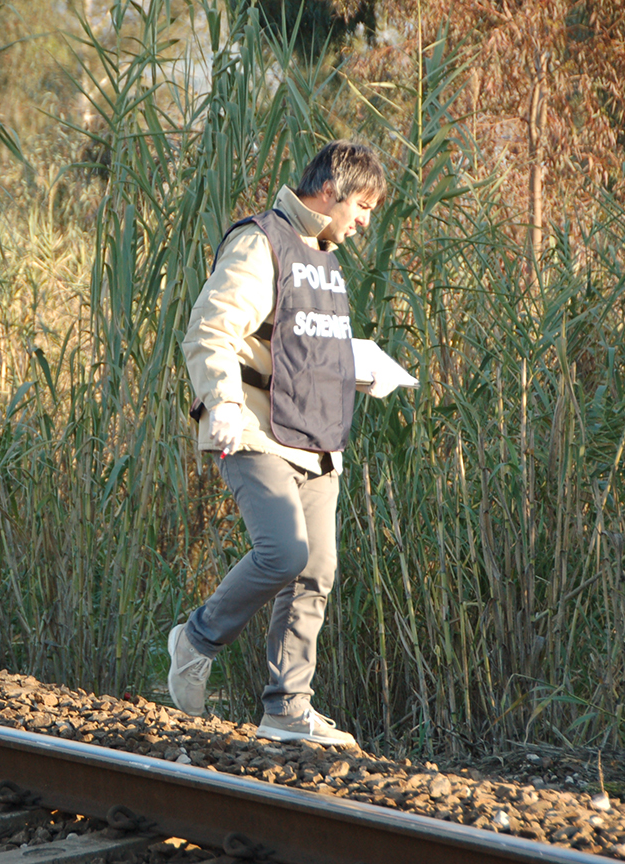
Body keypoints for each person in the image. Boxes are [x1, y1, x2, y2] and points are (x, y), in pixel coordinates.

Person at [171, 139, 398, 747]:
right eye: (365, 207)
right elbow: (210, 329)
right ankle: (196, 638)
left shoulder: (324, 258)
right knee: (283, 552)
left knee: (315, 571)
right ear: (334, 192)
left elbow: (304, 343)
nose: (365, 222)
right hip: (251, 428)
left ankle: (286, 708)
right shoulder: (261, 241)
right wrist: (219, 400)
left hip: (318, 438)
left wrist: (363, 367)